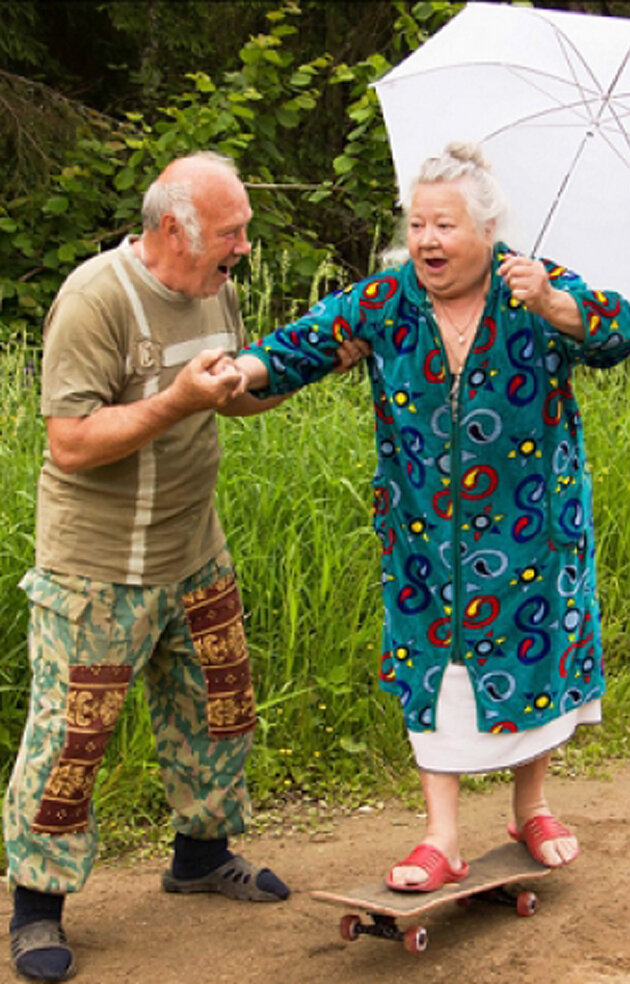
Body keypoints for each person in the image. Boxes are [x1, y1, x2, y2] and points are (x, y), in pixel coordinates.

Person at [235, 143, 630, 892]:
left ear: (487, 230)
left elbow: (623, 334)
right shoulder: (387, 301)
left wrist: (555, 306)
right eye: (418, 223)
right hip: (423, 531)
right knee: (436, 667)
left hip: (532, 526)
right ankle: (441, 838)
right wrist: (238, 372)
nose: (426, 239)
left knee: (533, 654)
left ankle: (532, 807)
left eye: (445, 225)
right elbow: (298, 346)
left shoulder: (538, 287)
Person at [2, 150, 365, 984]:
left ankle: (201, 857)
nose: (243, 246)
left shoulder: (214, 289)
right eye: (232, 232)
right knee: (71, 741)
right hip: (97, 568)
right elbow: (69, 442)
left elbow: (233, 392)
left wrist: (316, 367)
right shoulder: (97, 300)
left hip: (194, 548)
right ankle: (35, 910)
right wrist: (175, 400)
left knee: (218, 707)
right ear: (175, 227)